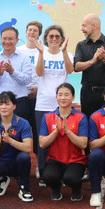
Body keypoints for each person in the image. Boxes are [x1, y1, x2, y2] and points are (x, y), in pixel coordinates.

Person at [33, 24, 73, 179]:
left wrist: (64, 52)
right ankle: (43, 170)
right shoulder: (40, 53)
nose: (54, 39)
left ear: (61, 39)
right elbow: (39, 72)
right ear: (46, 39)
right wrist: (41, 53)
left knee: (62, 138)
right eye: (51, 36)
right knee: (43, 140)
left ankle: (63, 170)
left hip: (62, 104)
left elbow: (70, 70)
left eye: (57, 36)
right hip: (43, 103)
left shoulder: (67, 54)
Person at [39, 83, 88, 202]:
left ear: (73, 97)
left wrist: (68, 131)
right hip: (55, 160)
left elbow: (83, 144)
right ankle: (56, 189)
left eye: (67, 94)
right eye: (60, 94)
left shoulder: (81, 117)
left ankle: (76, 189)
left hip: (75, 160)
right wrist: (56, 131)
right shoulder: (47, 117)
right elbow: (42, 144)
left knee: (71, 178)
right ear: (56, 97)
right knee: (48, 176)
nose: (63, 97)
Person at [74, 14, 105, 118]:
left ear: (94, 26)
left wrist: (103, 58)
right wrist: (92, 61)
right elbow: (77, 67)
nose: (82, 29)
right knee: (88, 121)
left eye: (84, 26)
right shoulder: (81, 45)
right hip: (87, 93)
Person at [0, 26, 33, 117]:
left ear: (17, 40)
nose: (7, 42)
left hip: (19, 103)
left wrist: (13, 72)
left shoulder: (24, 58)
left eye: (10, 39)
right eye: (4, 38)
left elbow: (27, 79)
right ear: (1, 39)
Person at [17, 21, 43, 160]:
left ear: (39, 34)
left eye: (35, 30)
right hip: (21, 96)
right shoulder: (19, 51)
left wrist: (39, 89)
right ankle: (22, 160)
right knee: (21, 129)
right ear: (26, 32)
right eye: (29, 30)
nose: (32, 32)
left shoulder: (43, 50)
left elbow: (46, 74)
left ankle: (39, 162)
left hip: (39, 96)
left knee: (38, 130)